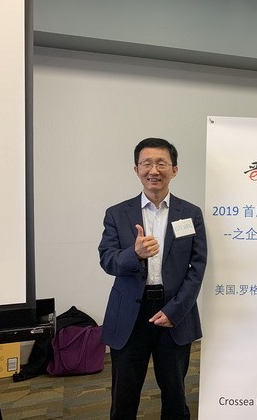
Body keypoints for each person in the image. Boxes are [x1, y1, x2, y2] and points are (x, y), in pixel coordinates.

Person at [98, 138, 207, 419]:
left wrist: (175, 310)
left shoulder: (190, 213)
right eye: (147, 163)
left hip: (174, 312)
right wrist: (133, 253)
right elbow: (107, 259)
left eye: (161, 163)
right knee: (124, 395)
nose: (154, 170)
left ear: (174, 170)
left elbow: (197, 266)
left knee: (175, 393)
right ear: (136, 169)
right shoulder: (117, 213)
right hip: (129, 314)